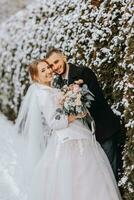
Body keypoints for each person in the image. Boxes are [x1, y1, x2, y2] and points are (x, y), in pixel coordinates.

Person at [16, 59, 122, 200]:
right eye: (43, 70)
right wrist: (73, 116)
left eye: (48, 67)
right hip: (69, 140)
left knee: (85, 176)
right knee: (78, 178)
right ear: (35, 77)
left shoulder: (50, 90)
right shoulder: (43, 94)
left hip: (77, 134)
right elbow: (53, 122)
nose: (48, 71)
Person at [46, 48, 122, 180]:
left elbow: (96, 100)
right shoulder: (57, 83)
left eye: (56, 62)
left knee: (110, 175)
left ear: (64, 57)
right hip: (83, 136)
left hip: (103, 130)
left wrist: (75, 100)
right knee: (96, 176)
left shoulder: (83, 72)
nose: (55, 67)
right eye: (51, 65)